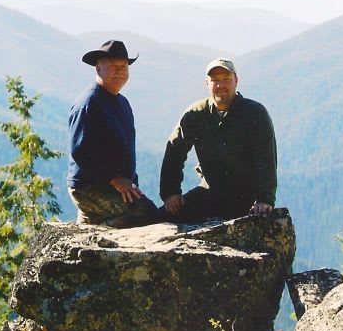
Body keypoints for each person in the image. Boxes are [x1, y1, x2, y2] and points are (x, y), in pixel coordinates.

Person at [159, 57, 277, 222]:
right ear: (207, 83)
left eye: (226, 79)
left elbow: (266, 158)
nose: (221, 85)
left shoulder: (255, 113)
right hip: (209, 192)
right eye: (215, 80)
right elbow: (174, 151)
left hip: (245, 197)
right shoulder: (196, 114)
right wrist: (171, 193)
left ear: (236, 80)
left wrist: (264, 199)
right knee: (158, 219)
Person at [67, 40, 159, 228]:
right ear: (98, 68)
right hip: (90, 186)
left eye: (123, 66)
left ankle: (89, 229)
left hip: (112, 184)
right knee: (146, 214)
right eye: (113, 66)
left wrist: (129, 181)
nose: (119, 71)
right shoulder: (89, 104)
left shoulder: (122, 103)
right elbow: (80, 152)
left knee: (142, 211)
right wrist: (114, 178)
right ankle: (101, 233)